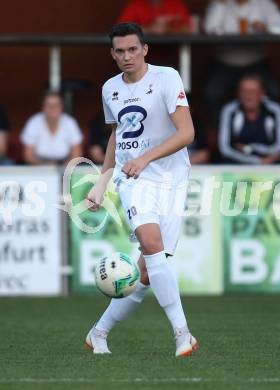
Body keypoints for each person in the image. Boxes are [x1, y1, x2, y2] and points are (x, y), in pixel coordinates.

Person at [85, 22, 198, 357]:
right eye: (119, 51)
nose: (126, 56)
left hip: (171, 177)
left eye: (132, 49)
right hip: (133, 178)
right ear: (112, 54)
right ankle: (182, 335)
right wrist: (103, 180)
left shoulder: (166, 78)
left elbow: (187, 132)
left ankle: (98, 332)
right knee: (151, 244)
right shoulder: (110, 89)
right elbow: (118, 134)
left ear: (145, 49)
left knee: (147, 270)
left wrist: (146, 158)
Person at [203, 0, 280, 126]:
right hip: (225, 62)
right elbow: (209, 29)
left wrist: (266, 28)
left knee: (273, 92)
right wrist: (221, 5)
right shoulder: (220, 3)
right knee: (211, 94)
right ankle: (221, 132)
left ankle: (268, 130)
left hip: (255, 61)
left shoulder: (264, 3)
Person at [218, 74, 280, 164]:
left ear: (262, 93)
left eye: (253, 92)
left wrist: (249, 148)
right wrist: (257, 161)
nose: (248, 96)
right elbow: (225, 149)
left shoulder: (274, 110)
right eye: (244, 91)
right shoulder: (229, 110)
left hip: (270, 161)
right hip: (237, 162)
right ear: (238, 93)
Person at [21, 91, 83, 165]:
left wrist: (64, 168)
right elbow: (28, 156)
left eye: (56, 105)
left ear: (61, 107)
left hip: (65, 165)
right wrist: (45, 166)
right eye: (48, 105)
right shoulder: (33, 123)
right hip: (38, 165)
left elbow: (77, 154)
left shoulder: (70, 123)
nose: (52, 108)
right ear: (43, 107)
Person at [117, 0, 191, 34]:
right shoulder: (137, 4)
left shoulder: (175, 3)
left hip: (173, 54)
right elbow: (120, 29)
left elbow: (189, 30)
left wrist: (167, 29)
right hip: (142, 56)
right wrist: (150, 29)